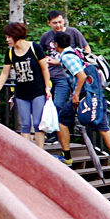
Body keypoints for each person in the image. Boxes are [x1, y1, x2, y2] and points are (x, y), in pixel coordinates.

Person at [53, 31, 110, 159]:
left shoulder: (67, 57)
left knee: (61, 121)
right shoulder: (75, 52)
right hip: (95, 92)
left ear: (56, 44)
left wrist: (75, 95)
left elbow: (81, 76)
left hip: (84, 94)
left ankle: (67, 157)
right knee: (103, 127)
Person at [0, 22, 52, 149]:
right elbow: (4, 73)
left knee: (37, 123)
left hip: (38, 90)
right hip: (21, 92)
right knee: (25, 124)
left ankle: (40, 153)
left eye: (9, 37)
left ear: (16, 35)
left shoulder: (34, 47)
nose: (7, 40)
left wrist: (47, 87)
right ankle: (28, 152)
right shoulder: (11, 53)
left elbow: (44, 69)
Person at [39, 11, 89, 157]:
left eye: (60, 22)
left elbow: (86, 49)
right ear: (49, 23)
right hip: (49, 75)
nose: (58, 25)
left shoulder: (73, 33)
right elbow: (41, 54)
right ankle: (52, 133)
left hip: (64, 76)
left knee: (58, 104)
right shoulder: (46, 37)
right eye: (55, 23)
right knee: (45, 104)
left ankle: (55, 134)